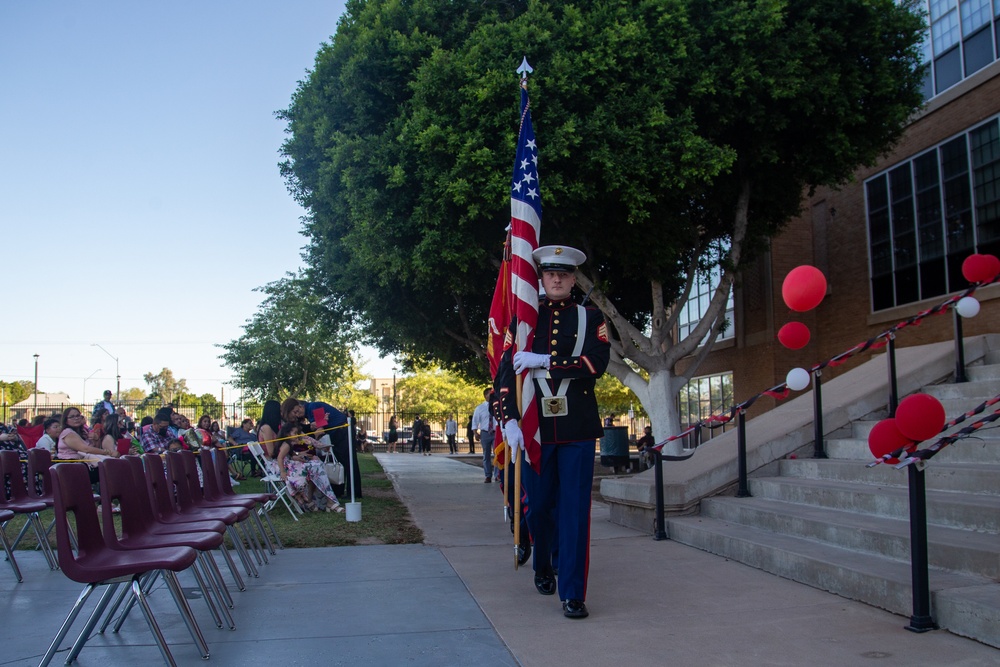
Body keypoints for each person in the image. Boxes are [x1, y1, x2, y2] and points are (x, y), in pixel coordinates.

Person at [496, 244, 610, 620]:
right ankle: (543, 564)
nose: (557, 279)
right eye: (550, 273)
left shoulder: (591, 317)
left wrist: (546, 361)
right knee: (540, 507)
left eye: (564, 274)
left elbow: (596, 363)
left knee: (575, 511)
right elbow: (502, 377)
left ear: (574, 279)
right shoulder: (525, 321)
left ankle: (573, 593)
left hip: (576, 427)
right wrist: (509, 419)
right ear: (541, 278)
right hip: (535, 430)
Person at [57, 407, 115, 483]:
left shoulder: (83, 432)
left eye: (78, 416)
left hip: (83, 465)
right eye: (72, 417)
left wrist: (96, 439)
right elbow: (85, 449)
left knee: (111, 470)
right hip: (70, 467)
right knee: (111, 471)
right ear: (66, 420)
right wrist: (108, 452)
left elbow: (94, 449)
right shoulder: (68, 433)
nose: (76, 418)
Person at [471, 388, 496, 483]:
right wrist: (475, 433)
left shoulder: (497, 406)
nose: (493, 396)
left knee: (497, 454)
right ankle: (488, 475)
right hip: (485, 433)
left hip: (496, 432)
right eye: (490, 394)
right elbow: (475, 421)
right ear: (485, 396)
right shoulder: (479, 408)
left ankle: (497, 475)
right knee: (486, 455)